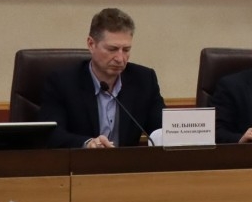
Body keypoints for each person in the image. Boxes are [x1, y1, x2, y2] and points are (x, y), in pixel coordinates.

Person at [40, 8, 164, 148]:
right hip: (81, 161)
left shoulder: (144, 80)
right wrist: (87, 144)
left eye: (126, 50)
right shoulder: (62, 82)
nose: (120, 58)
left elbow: (162, 128)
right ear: (91, 44)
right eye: (112, 49)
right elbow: (51, 134)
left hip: (128, 162)